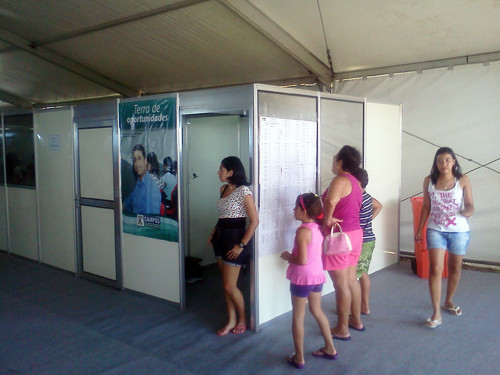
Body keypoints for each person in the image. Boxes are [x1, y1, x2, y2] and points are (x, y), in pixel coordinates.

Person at [415, 147, 474, 328]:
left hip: (459, 231)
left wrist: (467, 211)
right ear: (436, 163)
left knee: (455, 268)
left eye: (447, 160)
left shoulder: (462, 180)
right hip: (436, 230)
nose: (444, 164)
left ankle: (448, 300)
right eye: (440, 161)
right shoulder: (429, 181)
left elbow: (471, 204)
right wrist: (419, 229)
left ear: (454, 161)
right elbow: (426, 206)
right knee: (435, 269)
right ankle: (436, 312)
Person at [280, 193, 337, 369]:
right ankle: (330, 347)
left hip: (302, 278)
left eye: (296, 207)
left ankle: (299, 357)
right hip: (317, 276)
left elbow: (302, 260)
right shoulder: (316, 228)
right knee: (317, 310)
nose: (293, 210)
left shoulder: (303, 231)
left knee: (298, 316)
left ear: (304, 211)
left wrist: (288, 256)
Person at [208, 156, 259, 336]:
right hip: (221, 239)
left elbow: (254, 221)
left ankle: (242, 317)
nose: (218, 172)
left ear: (231, 172)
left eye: (221, 169)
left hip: (235, 241)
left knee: (231, 286)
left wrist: (241, 245)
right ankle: (231, 319)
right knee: (225, 284)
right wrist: (214, 232)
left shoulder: (244, 191)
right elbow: (223, 216)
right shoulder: (223, 189)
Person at [322, 145, 364, 340]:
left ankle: (342, 328)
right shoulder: (355, 181)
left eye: (334, 158)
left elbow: (330, 201)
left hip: (341, 236)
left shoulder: (340, 179)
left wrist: (327, 219)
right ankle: (356, 320)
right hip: (355, 234)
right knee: (350, 280)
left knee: (340, 285)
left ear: (340, 162)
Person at [355, 169, 382, 315]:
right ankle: (364, 306)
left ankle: (355, 307)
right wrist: (369, 218)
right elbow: (379, 206)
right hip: (370, 239)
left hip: (360, 241)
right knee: (363, 273)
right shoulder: (367, 197)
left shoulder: (356, 198)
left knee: (353, 276)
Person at [123, 144, 162, 215]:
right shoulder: (138, 185)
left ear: (145, 160)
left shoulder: (152, 189)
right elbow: (127, 204)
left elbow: (151, 222)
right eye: (134, 160)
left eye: (139, 158)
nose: (136, 163)